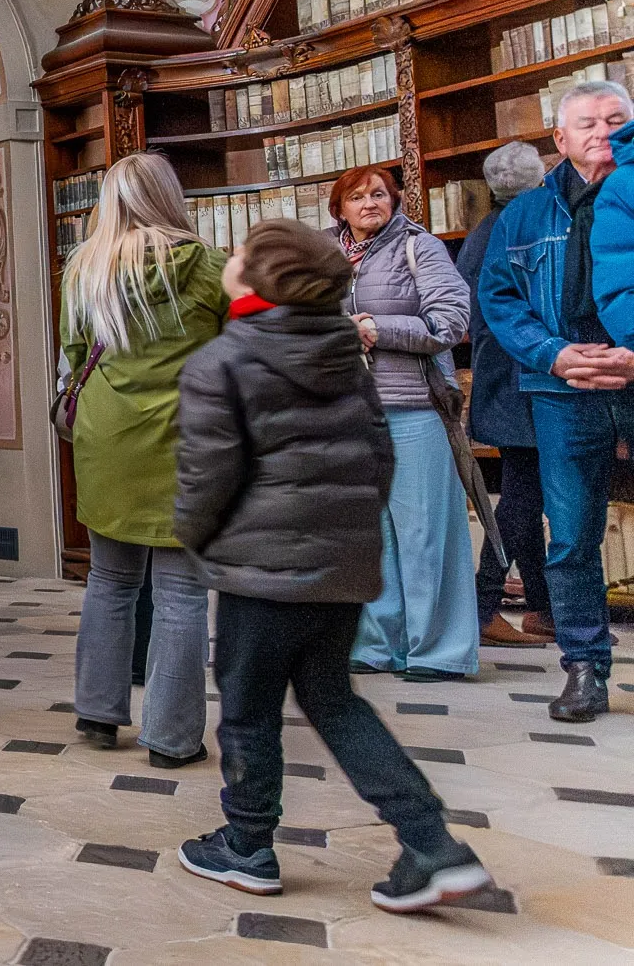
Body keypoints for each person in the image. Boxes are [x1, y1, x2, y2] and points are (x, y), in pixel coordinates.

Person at [173, 219, 495, 913]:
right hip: (340, 568)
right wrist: (346, 535)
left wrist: (195, 538)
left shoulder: (222, 360)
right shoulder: (347, 355)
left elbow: (207, 475)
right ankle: (431, 841)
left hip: (259, 572)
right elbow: (379, 454)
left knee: (248, 707)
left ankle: (246, 843)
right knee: (335, 701)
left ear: (264, 280)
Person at [58, 152, 222, 768]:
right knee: (180, 594)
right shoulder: (207, 266)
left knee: (109, 580)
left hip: (107, 439)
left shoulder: (84, 266)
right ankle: (172, 739)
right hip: (187, 438)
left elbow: (75, 354)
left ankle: (98, 713)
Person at [485, 81, 634, 721]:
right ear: (560, 137)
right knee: (570, 536)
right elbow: (498, 299)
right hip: (561, 388)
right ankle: (584, 668)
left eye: (615, 119)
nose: (601, 131)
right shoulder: (523, 214)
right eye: (587, 122)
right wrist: (553, 354)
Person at [331, 165, 477, 683]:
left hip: (413, 407)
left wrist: (374, 328)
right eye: (356, 196)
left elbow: (450, 323)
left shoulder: (422, 247)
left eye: (378, 194)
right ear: (339, 207)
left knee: (424, 534)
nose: (368, 202)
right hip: (348, 411)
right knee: (370, 537)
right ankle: (376, 645)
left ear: (394, 200)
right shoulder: (326, 252)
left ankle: (438, 650)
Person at [457, 142, 553, 649]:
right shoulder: (528, 229)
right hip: (528, 380)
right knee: (521, 499)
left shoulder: (481, 234)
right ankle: (484, 604)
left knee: (524, 491)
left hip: (501, 379)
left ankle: (541, 606)